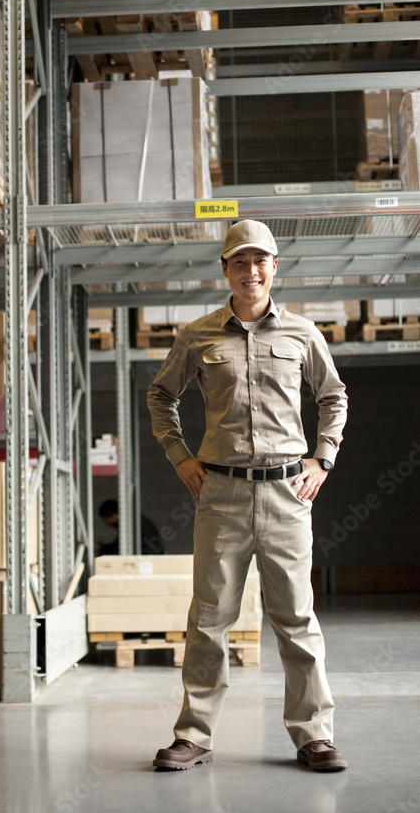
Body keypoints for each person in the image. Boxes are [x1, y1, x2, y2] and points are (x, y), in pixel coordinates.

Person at [147, 219, 348, 773]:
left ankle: (314, 737)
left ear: (274, 267)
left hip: (287, 495)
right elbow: (161, 395)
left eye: (260, 261)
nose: (251, 270)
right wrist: (181, 458)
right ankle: (193, 736)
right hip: (222, 497)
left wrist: (322, 458)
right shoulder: (198, 336)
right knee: (209, 620)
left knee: (297, 620)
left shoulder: (303, 335)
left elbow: (333, 397)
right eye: (240, 261)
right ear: (226, 270)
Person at [96, 499, 166, 555]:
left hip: (148, 561)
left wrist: (101, 548)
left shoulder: (130, 524)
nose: (107, 524)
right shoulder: (134, 520)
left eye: (107, 521)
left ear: (115, 516)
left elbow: (119, 549)